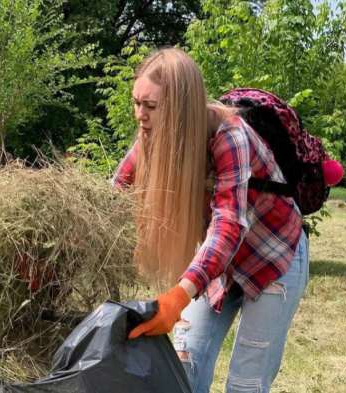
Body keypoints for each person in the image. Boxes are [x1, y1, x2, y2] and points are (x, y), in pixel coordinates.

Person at [112, 49, 308, 393]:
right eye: (136, 103)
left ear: (181, 107)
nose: (140, 116)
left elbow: (228, 225)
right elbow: (112, 197)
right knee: (181, 373)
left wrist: (176, 298)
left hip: (273, 258)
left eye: (152, 107)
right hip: (217, 265)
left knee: (245, 384)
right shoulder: (153, 138)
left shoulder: (230, 135)